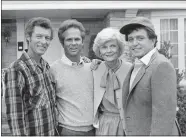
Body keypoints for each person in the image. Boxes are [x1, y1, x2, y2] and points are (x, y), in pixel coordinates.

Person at [120, 16, 181, 135]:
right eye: (131, 39)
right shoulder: (137, 64)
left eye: (140, 38)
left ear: (152, 40)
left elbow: (164, 117)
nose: (134, 43)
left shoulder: (161, 66)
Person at [4, 17, 56, 135]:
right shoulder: (16, 70)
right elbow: (15, 118)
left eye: (47, 38)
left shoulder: (45, 66)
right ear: (28, 37)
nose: (44, 41)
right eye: (39, 36)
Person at [50, 19, 95, 136]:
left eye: (77, 39)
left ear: (82, 42)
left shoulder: (92, 67)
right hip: (67, 131)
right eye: (69, 39)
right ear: (62, 43)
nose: (73, 43)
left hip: (94, 130)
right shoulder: (53, 70)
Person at [92, 27, 133, 135]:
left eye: (113, 46)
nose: (108, 51)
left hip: (126, 125)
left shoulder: (131, 70)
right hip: (103, 124)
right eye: (104, 47)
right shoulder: (95, 69)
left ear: (119, 49)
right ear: (99, 51)